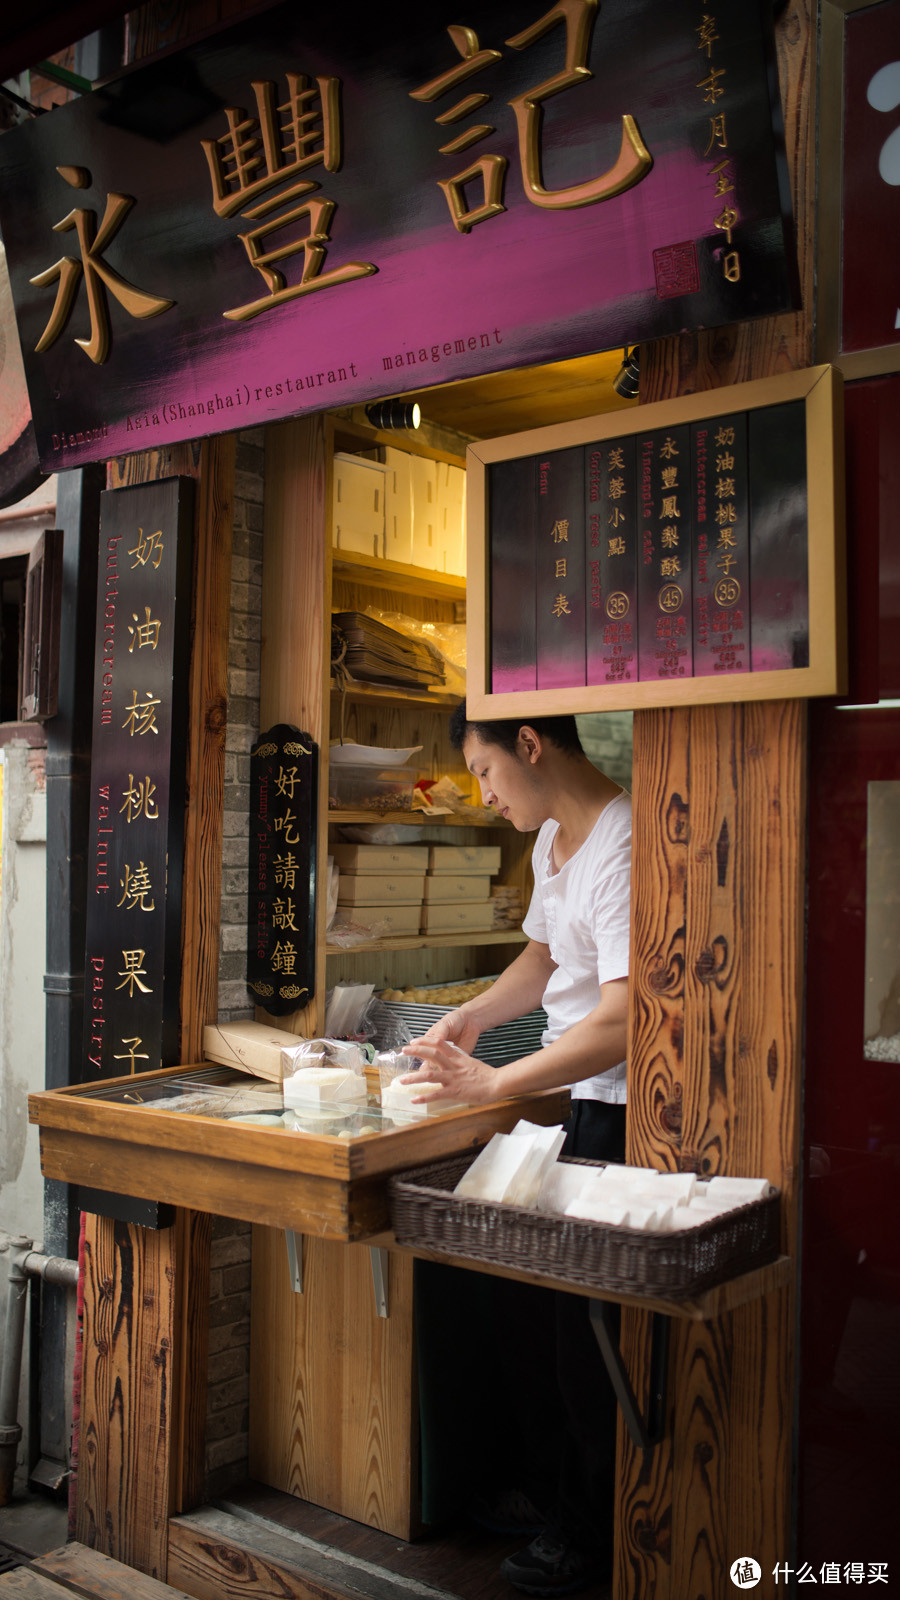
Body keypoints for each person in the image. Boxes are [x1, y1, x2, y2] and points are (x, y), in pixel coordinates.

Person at [401, 703, 632, 1597]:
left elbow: (619, 1020)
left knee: (584, 1341)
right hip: (572, 1103)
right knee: (531, 1313)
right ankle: (558, 1502)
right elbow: (540, 963)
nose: (485, 793)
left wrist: (494, 1083)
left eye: (486, 771)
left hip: (615, 1112)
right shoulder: (553, 842)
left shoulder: (621, 842)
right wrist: (467, 1019)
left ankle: (591, 1538)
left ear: (529, 745)